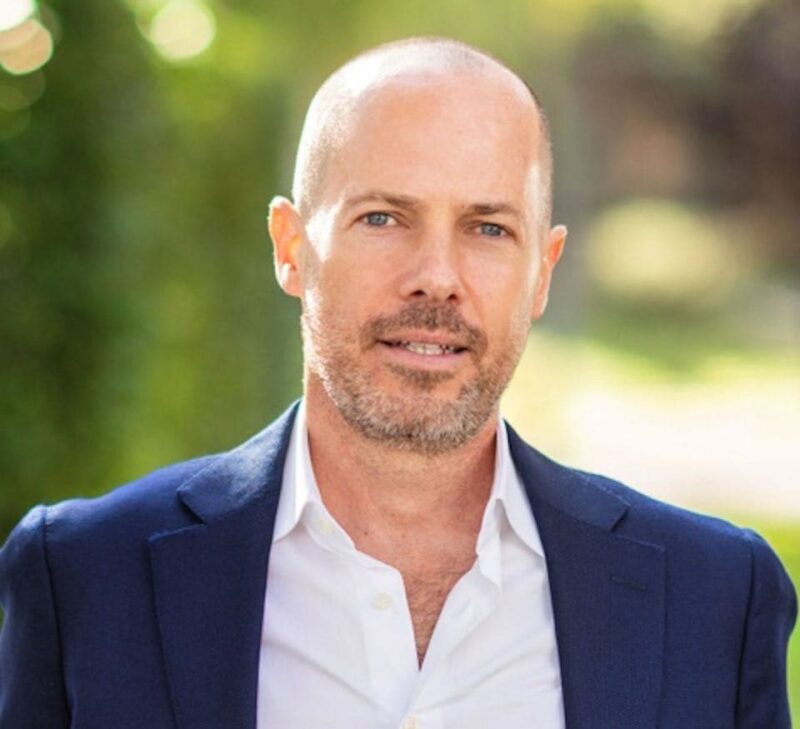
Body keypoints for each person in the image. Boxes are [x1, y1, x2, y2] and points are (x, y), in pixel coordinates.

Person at [0, 36, 795, 729]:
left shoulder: (714, 599)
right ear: (290, 246)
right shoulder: (85, 579)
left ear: (542, 272)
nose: (437, 278)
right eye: (383, 217)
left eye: (488, 227)